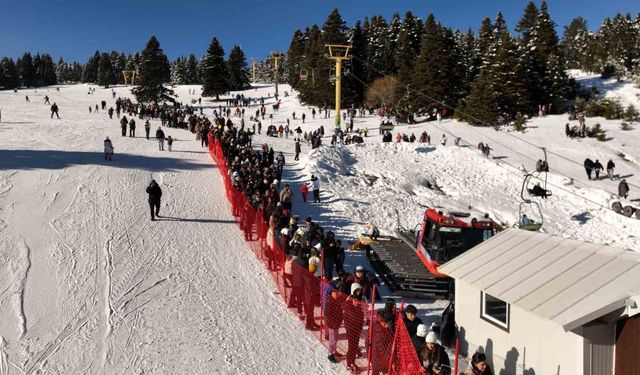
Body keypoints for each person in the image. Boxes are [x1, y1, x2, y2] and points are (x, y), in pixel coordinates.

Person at [343, 283, 365, 373]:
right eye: (357, 291)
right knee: (352, 346)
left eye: (360, 291)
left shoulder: (360, 301)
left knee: (354, 345)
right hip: (351, 328)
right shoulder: (348, 303)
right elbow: (352, 315)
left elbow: (362, 314)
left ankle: (351, 361)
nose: (359, 292)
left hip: (357, 328)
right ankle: (349, 363)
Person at [325, 286, 345, 363]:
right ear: (331, 293)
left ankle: (334, 351)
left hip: (337, 323)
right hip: (332, 324)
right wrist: (332, 322)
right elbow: (327, 314)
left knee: (336, 338)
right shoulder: (329, 301)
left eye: (337, 293)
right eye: (334, 293)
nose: (336, 294)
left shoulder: (338, 300)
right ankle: (330, 354)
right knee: (332, 340)